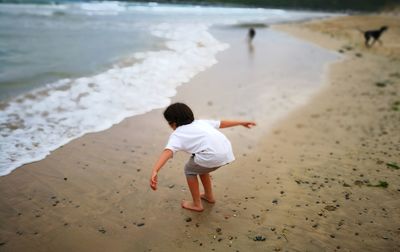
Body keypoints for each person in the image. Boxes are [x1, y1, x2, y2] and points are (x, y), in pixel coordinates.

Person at [150, 102, 256, 212]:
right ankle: (208, 196)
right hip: (227, 152)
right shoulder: (201, 123)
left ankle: (196, 204)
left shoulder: (177, 134)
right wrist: (241, 123)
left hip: (212, 156)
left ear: (173, 123)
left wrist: (155, 170)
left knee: (189, 170)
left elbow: (168, 151)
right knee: (200, 165)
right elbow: (221, 123)